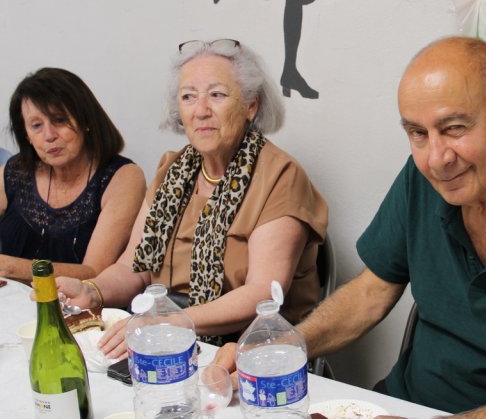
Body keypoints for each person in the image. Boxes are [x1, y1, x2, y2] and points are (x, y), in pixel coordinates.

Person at [214, 37, 486, 418]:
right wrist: (282, 348)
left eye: (454, 129)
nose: (436, 158)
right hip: (406, 404)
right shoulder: (427, 179)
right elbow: (371, 293)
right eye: (418, 133)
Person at [57, 39, 328, 357]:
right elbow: (134, 267)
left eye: (217, 95)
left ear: (250, 106)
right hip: (172, 337)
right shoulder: (172, 170)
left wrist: (168, 323)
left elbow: (262, 293)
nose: (201, 111)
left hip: (255, 351)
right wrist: (93, 291)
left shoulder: (280, 177)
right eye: (188, 97)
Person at [0, 68, 146, 282]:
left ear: (86, 121)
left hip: (81, 301)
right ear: (27, 135)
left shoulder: (123, 177)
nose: (49, 135)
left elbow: (95, 272)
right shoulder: (16, 170)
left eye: (59, 120)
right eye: (36, 126)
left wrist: (9, 267)